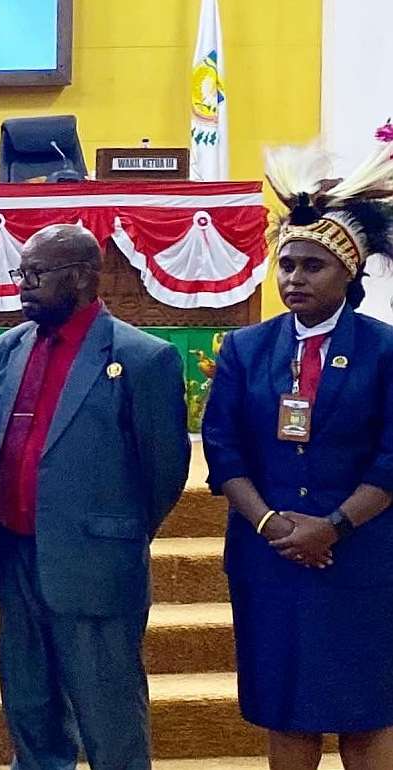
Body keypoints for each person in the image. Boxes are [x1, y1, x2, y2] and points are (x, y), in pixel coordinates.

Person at [203, 144, 393, 770]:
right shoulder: (245, 348)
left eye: (312, 266)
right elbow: (224, 448)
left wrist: (332, 527)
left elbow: (392, 457)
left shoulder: (383, 350)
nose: (294, 279)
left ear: (349, 275)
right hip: (271, 558)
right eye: (286, 265)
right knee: (286, 707)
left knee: (367, 709)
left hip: (361, 559)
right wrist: (272, 524)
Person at [0, 223, 189, 770]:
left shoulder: (144, 359)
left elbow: (164, 472)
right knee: (29, 712)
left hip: (95, 563)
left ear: (79, 278)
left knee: (109, 719)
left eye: (36, 275)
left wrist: (110, 532)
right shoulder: (9, 348)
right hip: (18, 557)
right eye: (20, 274)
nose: (22, 286)